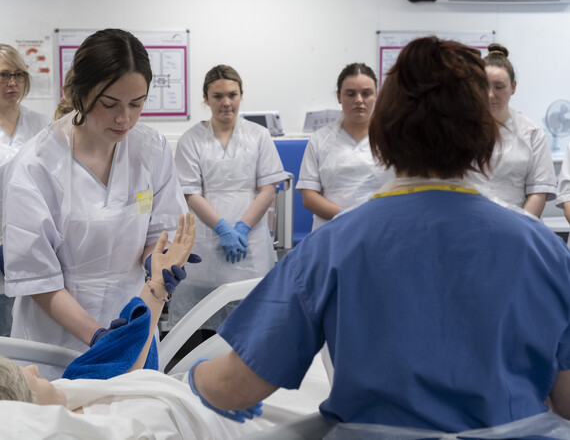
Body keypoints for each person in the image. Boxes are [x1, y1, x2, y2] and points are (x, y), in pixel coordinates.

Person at [188, 37, 570, 434]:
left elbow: (235, 388)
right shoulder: (543, 250)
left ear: (384, 132)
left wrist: (193, 378)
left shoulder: (335, 244)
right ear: (486, 138)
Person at [2, 29, 187, 380]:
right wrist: (99, 337)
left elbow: (158, 231)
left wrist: (157, 263)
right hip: (55, 335)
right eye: (110, 104)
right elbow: (39, 279)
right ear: (79, 94)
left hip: (132, 323)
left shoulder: (151, 149)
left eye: (137, 103)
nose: (125, 119)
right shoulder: (37, 164)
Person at [0, 214, 272, 439]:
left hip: (207, 397)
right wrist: (201, 383)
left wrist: (157, 283)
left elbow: (124, 370)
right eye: (31, 378)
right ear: (26, 410)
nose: (34, 368)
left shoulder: (74, 390)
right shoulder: (115, 431)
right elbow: (37, 278)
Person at [170, 64, 288, 330]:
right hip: (206, 241)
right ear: (206, 99)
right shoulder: (192, 139)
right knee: (201, 321)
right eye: (218, 96)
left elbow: (268, 188)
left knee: (252, 320)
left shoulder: (259, 136)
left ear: (241, 95)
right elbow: (190, 192)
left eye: (232, 95)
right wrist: (222, 227)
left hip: (252, 240)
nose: (226, 103)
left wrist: (243, 227)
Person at [296, 63, 393, 231]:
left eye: (366, 93)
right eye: (350, 94)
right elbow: (309, 196)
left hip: (379, 227)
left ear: (377, 95)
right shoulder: (319, 139)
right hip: (332, 229)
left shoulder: (393, 139)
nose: (359, 100)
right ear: (339, 97)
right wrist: (346, 216)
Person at [467, 43, 556, 218]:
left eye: (499, 87)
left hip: (517, 228)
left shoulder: (531, 133)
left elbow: (538, 192)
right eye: (484, 86)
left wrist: (520, 231)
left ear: (513, 87)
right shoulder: (459, 130)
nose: (491, 94)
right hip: (468, 225)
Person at [0, 44, 51, 337]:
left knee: (31, 329)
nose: (13, 83)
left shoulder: (42, 125)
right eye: (4, 75)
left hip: (32, 239)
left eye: (19, 75)